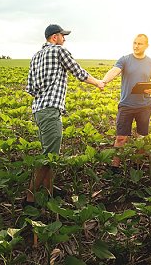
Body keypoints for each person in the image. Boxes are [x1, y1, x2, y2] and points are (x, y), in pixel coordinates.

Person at [24, 24, 105, 205]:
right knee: (49, 156)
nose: (64, 39)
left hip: (39, 110)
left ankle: (49, 190)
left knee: (50, 153)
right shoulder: (59, 51)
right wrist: (98, 83)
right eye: (63, 36)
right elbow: (78, 72)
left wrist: (44, 94)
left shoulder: (35, 56)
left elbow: (30, 88)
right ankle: (29, 198)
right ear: (54, 37)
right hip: (51, 109)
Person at [101, 33, 151, 170]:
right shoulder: (125, 59)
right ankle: (115, 166)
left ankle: (138, 165)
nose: (136, 46)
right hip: (126, 105)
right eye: (134, 43)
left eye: (140, 43)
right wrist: (104, 81)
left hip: (144, 106)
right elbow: (114, 71)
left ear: (146, 46)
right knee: (121, 138)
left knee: (141, 138)